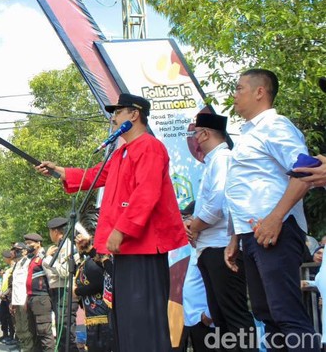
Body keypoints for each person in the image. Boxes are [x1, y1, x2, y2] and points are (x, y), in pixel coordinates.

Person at [36, 93, 187, 352]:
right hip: (126, 249)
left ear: (134, 114)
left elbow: (146, 192)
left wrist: (121, 229)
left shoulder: (149, 146)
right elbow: (93, 175)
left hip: (145, 247)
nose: (113, 118)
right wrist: (59, 170)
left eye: (117, 112)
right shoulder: (120, 154)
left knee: (143, 319)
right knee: (126, 318)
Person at [224, 69, 319, 351]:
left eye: (239, 88)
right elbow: (243, 191)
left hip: (275, 230)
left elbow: (307, 170)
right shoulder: (249, 132)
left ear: (259, 92)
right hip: (252, 233)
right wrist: (234, 238)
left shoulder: (276, 126)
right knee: (267, 315)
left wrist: (276, 218)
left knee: (287, 315)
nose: (234, 95)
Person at [186, 113, 256, 351]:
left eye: (195, 133)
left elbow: (218, 203)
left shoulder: (224, 158)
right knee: (220, 317)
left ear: (204, 134)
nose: (194, 139)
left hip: (222, 246)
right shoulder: (213, 161)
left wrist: (193, 226)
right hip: (209, 247)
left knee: (235, 316)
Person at [73, 230, 114, 352]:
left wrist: (77, 292)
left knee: (100, 345)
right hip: (94, 315)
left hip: (100, 314)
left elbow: (98, 285)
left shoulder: (92, 263)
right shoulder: (89, 261)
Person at [45, 217, 78, 352]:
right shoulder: (59, 246)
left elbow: (64, 271)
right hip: (57, 290)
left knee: (65, 332)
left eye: (50, 231)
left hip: (64, 290)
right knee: (60, 330)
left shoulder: (67, 246)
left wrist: (47, 259)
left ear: (55, 231)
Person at [10, 241, 36, 351]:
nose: (15, 252)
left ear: (25, 251)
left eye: (17, 250)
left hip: (24, 299)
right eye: (14, 250)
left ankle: (28, 349)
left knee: (26, 328)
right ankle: (23, 347)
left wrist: (27, 299)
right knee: (19, 328)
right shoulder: (17, 264)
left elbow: (28, 283)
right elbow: (15, 284)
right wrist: (12, 302)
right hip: (16, 300)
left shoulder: (29, 263)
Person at [0, 250, 16, 345]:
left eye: (5, 257)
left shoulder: (14, 269)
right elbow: (4, 283)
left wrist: (5, 293)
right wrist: (1, 292)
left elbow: (11, 285)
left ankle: (11, 336)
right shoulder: (8, 270)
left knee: (10, 318)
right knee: (2, 316)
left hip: (9, 296)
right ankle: (5, 334)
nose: (4, 259)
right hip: (4, 296)